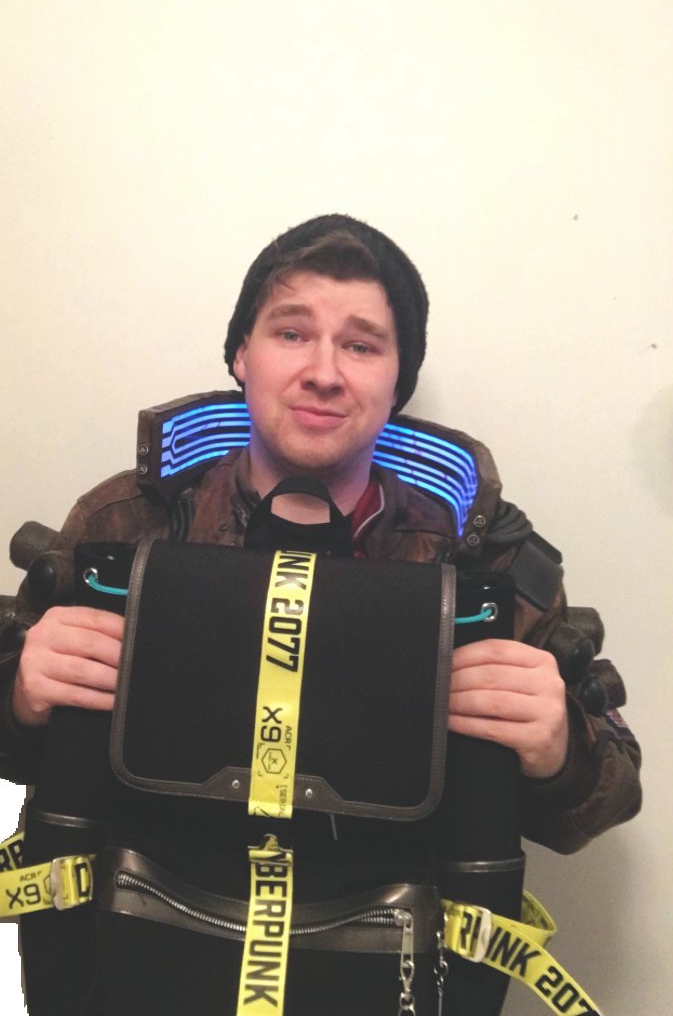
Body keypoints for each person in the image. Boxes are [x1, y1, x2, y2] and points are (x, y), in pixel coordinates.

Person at [0, 213, 641, 854]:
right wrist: (22, 698)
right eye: (292, 333)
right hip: (143, 900)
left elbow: (608, 800)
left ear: (399, 381)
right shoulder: (124, 523)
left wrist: (560, 752)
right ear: (242, 355)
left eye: (361, 346)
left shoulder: (486, 562)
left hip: (396, 911)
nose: (324, 373)